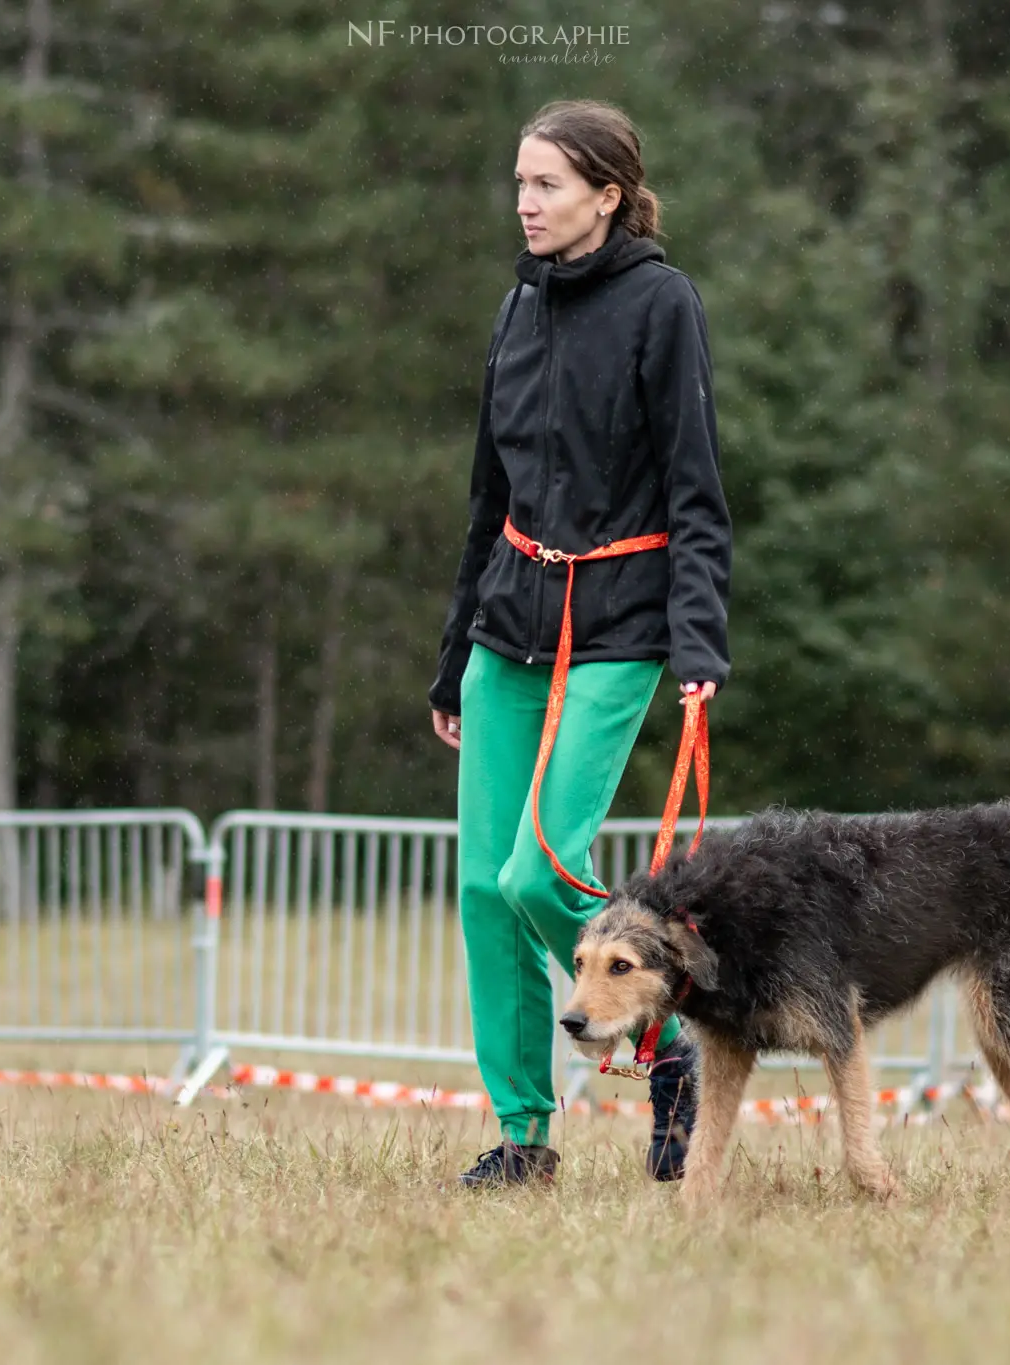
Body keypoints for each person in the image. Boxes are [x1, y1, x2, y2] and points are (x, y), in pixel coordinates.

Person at [427, 100, 732, 1187]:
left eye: (547, 184)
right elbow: (485, 494)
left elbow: (697, 491)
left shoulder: (661, 305)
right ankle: (522, 1136)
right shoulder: (517, 304)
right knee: (480, 891)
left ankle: (664, 1040)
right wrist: (452, 649)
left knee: (536, 871)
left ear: (607, 196)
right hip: (507, 623)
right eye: (519, 182)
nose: (524, 201)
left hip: (619, 624)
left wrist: (698, 640)